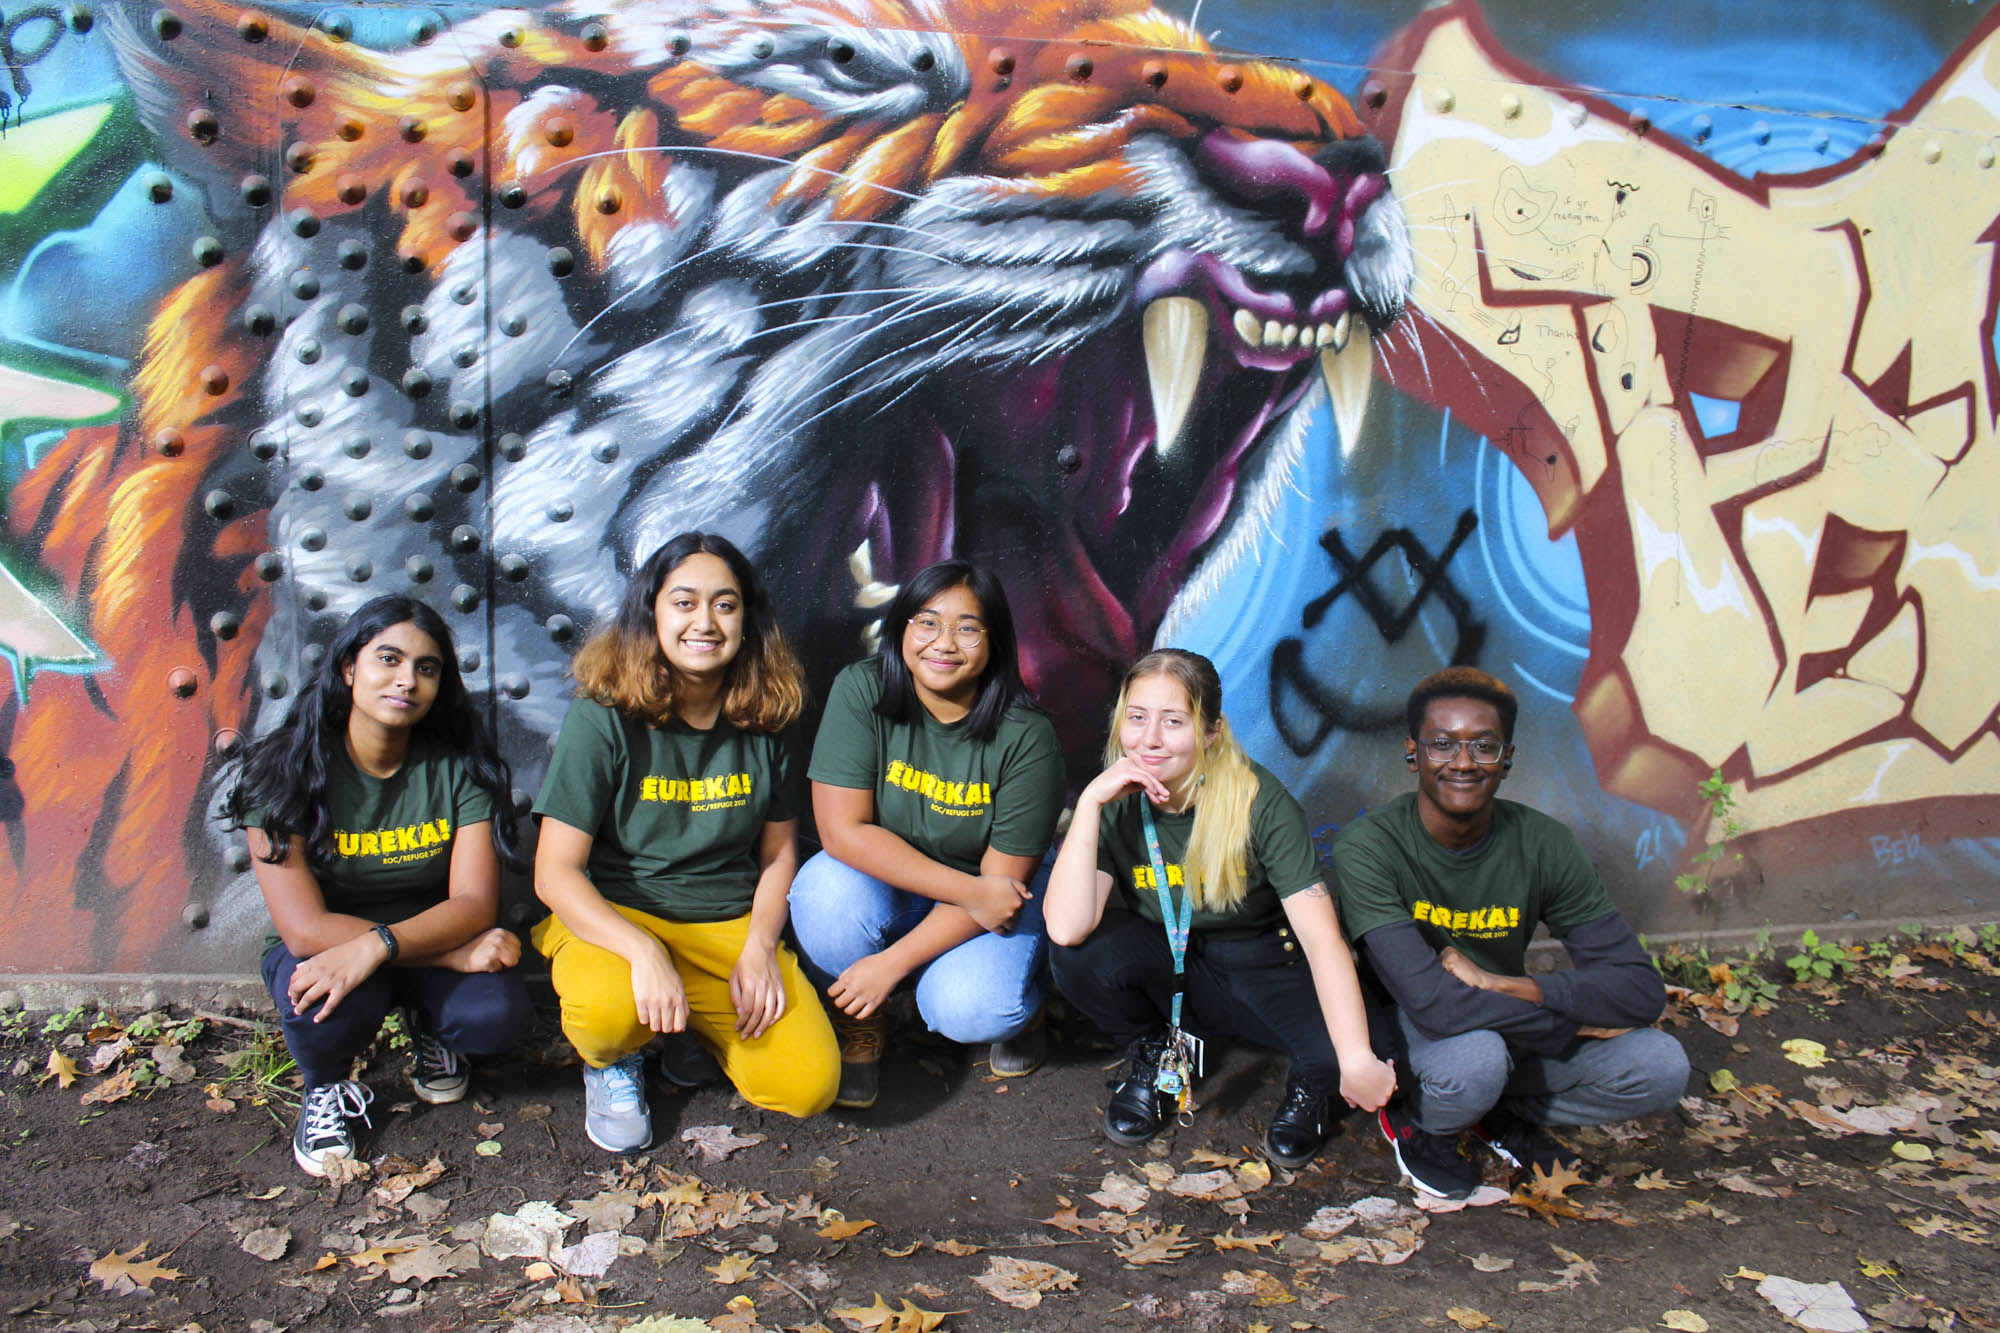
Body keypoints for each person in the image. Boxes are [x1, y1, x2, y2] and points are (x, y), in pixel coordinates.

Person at [1332, 666, 1691, 1199]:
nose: (1462, 762)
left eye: (1483, 746)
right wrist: (1571, 1025)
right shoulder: (1371, 847)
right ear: (1414, 754)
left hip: (1501, 1019)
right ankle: (1423, 1124)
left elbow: (1640, 991)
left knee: (1660, 1066)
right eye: (1442, 744)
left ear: (1508, 758)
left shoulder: (1545, 843)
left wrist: (1511, 985)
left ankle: (1493, 1116)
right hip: (1414, 1037)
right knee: (1475, 1062)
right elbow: (1433, 1005)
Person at [533, 533, 838, 1152]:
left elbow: (779, 854)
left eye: (725, 605)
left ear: (748, 622)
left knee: (807, 1085)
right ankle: (614, 1059)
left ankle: (688, 1032)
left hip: (726, 923)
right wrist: (643, 952)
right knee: (607, 1013)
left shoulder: (768, 715)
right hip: (618, 918)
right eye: (684, 603)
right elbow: (555, 872)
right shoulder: (604, 714)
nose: (705, 621)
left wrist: (760, 946)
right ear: (651, 614)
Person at [1044, 649, 1396, 1165]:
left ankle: (1311, 1086)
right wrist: (1092, 805)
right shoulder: (1117, 797)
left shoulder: (1261, 802)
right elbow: (1067, 927)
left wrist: (1356, 1057)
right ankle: (1165, 1055)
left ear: (1211, 731)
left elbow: (1322, 939)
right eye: (1137, 718)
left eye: (1173, 721)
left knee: (1364, 1056)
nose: (1150, 739)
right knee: (1078, 956)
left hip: (1267, 964)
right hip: (1178, 961)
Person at [225, 595, 533, 1177]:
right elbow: (305, 927)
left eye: (426, 668)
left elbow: (473, 903)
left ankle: (429, 1023)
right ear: (348, 668)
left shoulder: (459, 768)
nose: (406, 680)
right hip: (331, 947)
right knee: (316, 1001)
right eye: (388, 659)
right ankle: (324, 1087)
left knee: (496, 1014)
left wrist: (383, 947)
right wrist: (450, 953)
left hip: (420, 938)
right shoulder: (281, 772)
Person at [788, 560, 1064, 1109]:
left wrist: (890, 964)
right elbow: (842, 832)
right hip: (910, 885)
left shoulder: (1026, 737)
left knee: (967, 1009)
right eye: (927, 622)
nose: (944, 642)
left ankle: (1025, 1014)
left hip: (998, 897)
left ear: (994, 643)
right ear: (902, 629)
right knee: (823, 893)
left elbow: (1000, 889)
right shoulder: (862, 690)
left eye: (967, 627)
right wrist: (968, 892)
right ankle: (861, 1021)